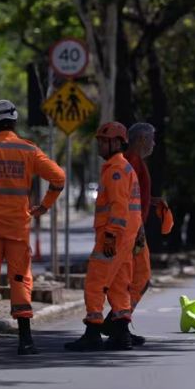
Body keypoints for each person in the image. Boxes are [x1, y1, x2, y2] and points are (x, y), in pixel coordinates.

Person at [0, 100, 65, 356]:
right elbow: (59, 178)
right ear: (14, 121)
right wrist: (44, 207)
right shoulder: (29, 151)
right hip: (18, 229)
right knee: (20, 279)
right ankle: (25, 342)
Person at [65, 122, 142, 351]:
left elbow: (118, 207)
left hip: (114, 237)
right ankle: (121, 333)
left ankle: (93, 333)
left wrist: (110, 236)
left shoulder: (116, 170)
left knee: (95, 282)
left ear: (117, 143)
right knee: (119, 285)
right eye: (99, 140)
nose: (99, 145)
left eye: (103, 141)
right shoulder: (122, 167)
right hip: (125, 238)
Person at [100, 122, 156, 346]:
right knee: (137, 279)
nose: (154, 144)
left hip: (132, 230)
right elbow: (124, 201)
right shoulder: (131, 161)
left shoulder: (134, 162)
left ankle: (118, 323)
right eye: (151, 139)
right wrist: (137, 229)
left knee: (133, 279)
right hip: (131, 232)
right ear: (142, 140)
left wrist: (152, 202)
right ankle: (117, 322)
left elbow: (133, 197)